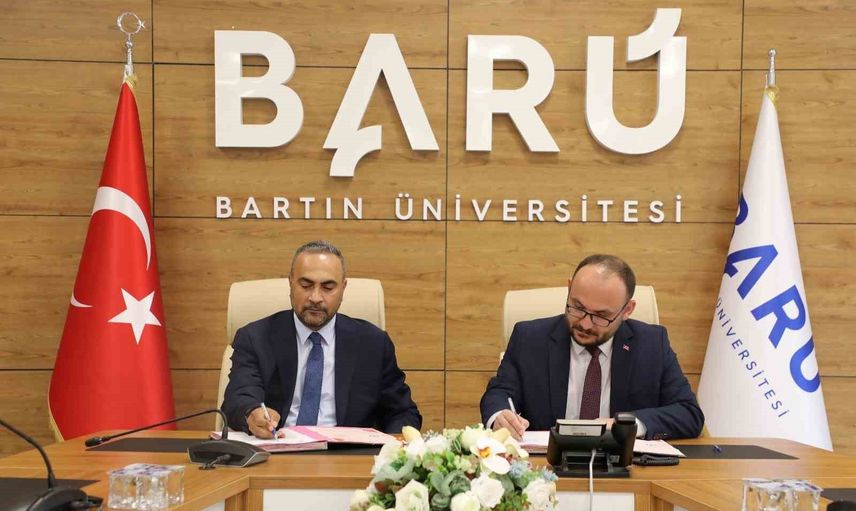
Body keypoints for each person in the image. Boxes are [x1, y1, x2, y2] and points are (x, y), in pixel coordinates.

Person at [480, 254, 704, 440]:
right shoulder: (530, 338)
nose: (585, 324)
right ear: (569, 288)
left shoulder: (652, 343)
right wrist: (500, 415)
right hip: (545, 468)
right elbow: (499, 393)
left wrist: (629, 425)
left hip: (623, 468)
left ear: (627, 310)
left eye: (601, 316)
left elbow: (689, 413)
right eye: (578, 307)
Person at [222, 240, 421, 438]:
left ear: (343, 288)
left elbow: (402, 412)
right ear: (290, 283)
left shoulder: (373, 344)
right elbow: (239, 397)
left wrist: (390, 448)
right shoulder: (255, 338)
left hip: (347, 452)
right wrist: (253, 413)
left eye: (328, 287)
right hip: (276, 447)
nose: (315, 298)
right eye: (306, 285)